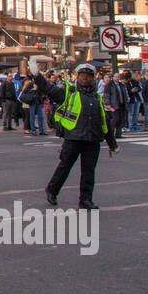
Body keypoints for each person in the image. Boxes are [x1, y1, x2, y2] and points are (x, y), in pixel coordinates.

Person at [40, 63, 117, 210]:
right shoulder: (70, 92)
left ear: (93, 79)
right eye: (83, 77)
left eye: (89, 77)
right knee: (65, 166)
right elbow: (50, 89)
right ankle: (52, 190)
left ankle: (86, 200)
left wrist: (112, 144)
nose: (86, 79)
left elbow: (104, 123)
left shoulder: (96, 98)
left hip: (92, 139)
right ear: (78, 77)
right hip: (73, 137)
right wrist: (37, 76)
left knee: (89, 171)